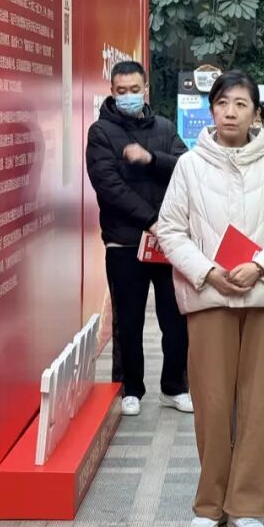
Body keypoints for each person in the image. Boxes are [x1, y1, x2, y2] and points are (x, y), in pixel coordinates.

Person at [156, 70, 264, 527]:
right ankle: (210, 501)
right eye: (223, 103)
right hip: (209, 296)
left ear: (256, 113)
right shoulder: (189, 165)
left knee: (260, 402)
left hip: (263, 296)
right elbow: (169, 230)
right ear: (212, 109)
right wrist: (206, 271)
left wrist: (260, 265)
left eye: (241, 104)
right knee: (212, 400)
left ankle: (248, 504)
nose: (230, 112)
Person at [85, 60, 191, 418]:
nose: (128, 96)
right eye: (121, 91)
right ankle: (130, 388)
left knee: (175, 317)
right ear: (112, 92)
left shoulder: (165, 127)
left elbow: (186, 167)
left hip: (167, 243)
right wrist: (150, 220)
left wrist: (151, 159)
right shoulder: (101, 132)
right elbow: (108, 186)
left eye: (134, 90)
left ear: (146, 90)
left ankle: (175, 387)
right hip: (125, 242)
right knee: (128, 320)